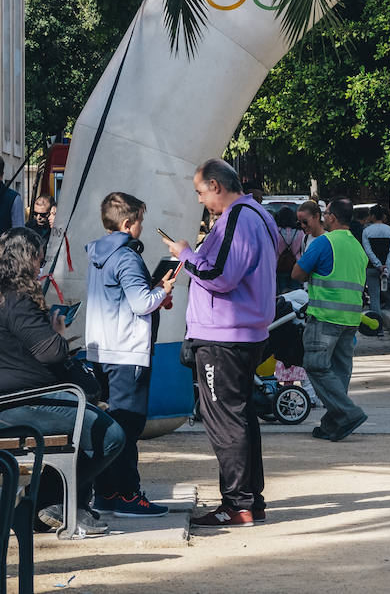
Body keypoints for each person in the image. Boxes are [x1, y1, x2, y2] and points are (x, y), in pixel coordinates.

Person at [162, 158, 277, 529]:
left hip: (223, 334)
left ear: (216, 185)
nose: (200, 200)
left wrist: (185, 254)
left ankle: (237, 503)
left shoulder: (237, 217)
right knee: (240, 417)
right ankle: (250, 500)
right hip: (243, 330)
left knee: (225, 420)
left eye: (200, 192)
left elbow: (219, 275)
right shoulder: (259, 215)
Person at [0, 227, 126, 536]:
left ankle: (61, 506)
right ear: (27, 259)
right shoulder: (17, 300)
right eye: (39, 259)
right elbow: (51, 353)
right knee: (110, 435)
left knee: (87, 425)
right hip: (23, 401)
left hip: (15, 400)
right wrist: (57, 331)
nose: (41, 267)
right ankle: (47, 503)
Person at [85, 192, 176, 518]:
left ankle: (106, 492)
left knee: (107, 425)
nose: (141, 227)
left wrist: (153, 292)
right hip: (127, 352)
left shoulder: (97, 253)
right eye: (139, 221)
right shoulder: (127, 257)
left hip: (101, 349)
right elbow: (141, 303)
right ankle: (128, 495)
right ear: (127, 223)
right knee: (127, 427)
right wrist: (162, 290)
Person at [292, 198, 369, 442]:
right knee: (339, 371)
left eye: (325, 213)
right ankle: (332, 424)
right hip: (351, 319)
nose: (324, 217)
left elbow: (297, 273)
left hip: (325, 316)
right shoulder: (357, 246)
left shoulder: (325, 242)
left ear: (332, 217)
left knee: (315, 365)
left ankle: (348, 413)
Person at [274, 205, 306, 294]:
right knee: (296, 293)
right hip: (296, 264)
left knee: (281, 293)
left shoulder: (276, 232)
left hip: (279, 265)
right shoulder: (300, 232)